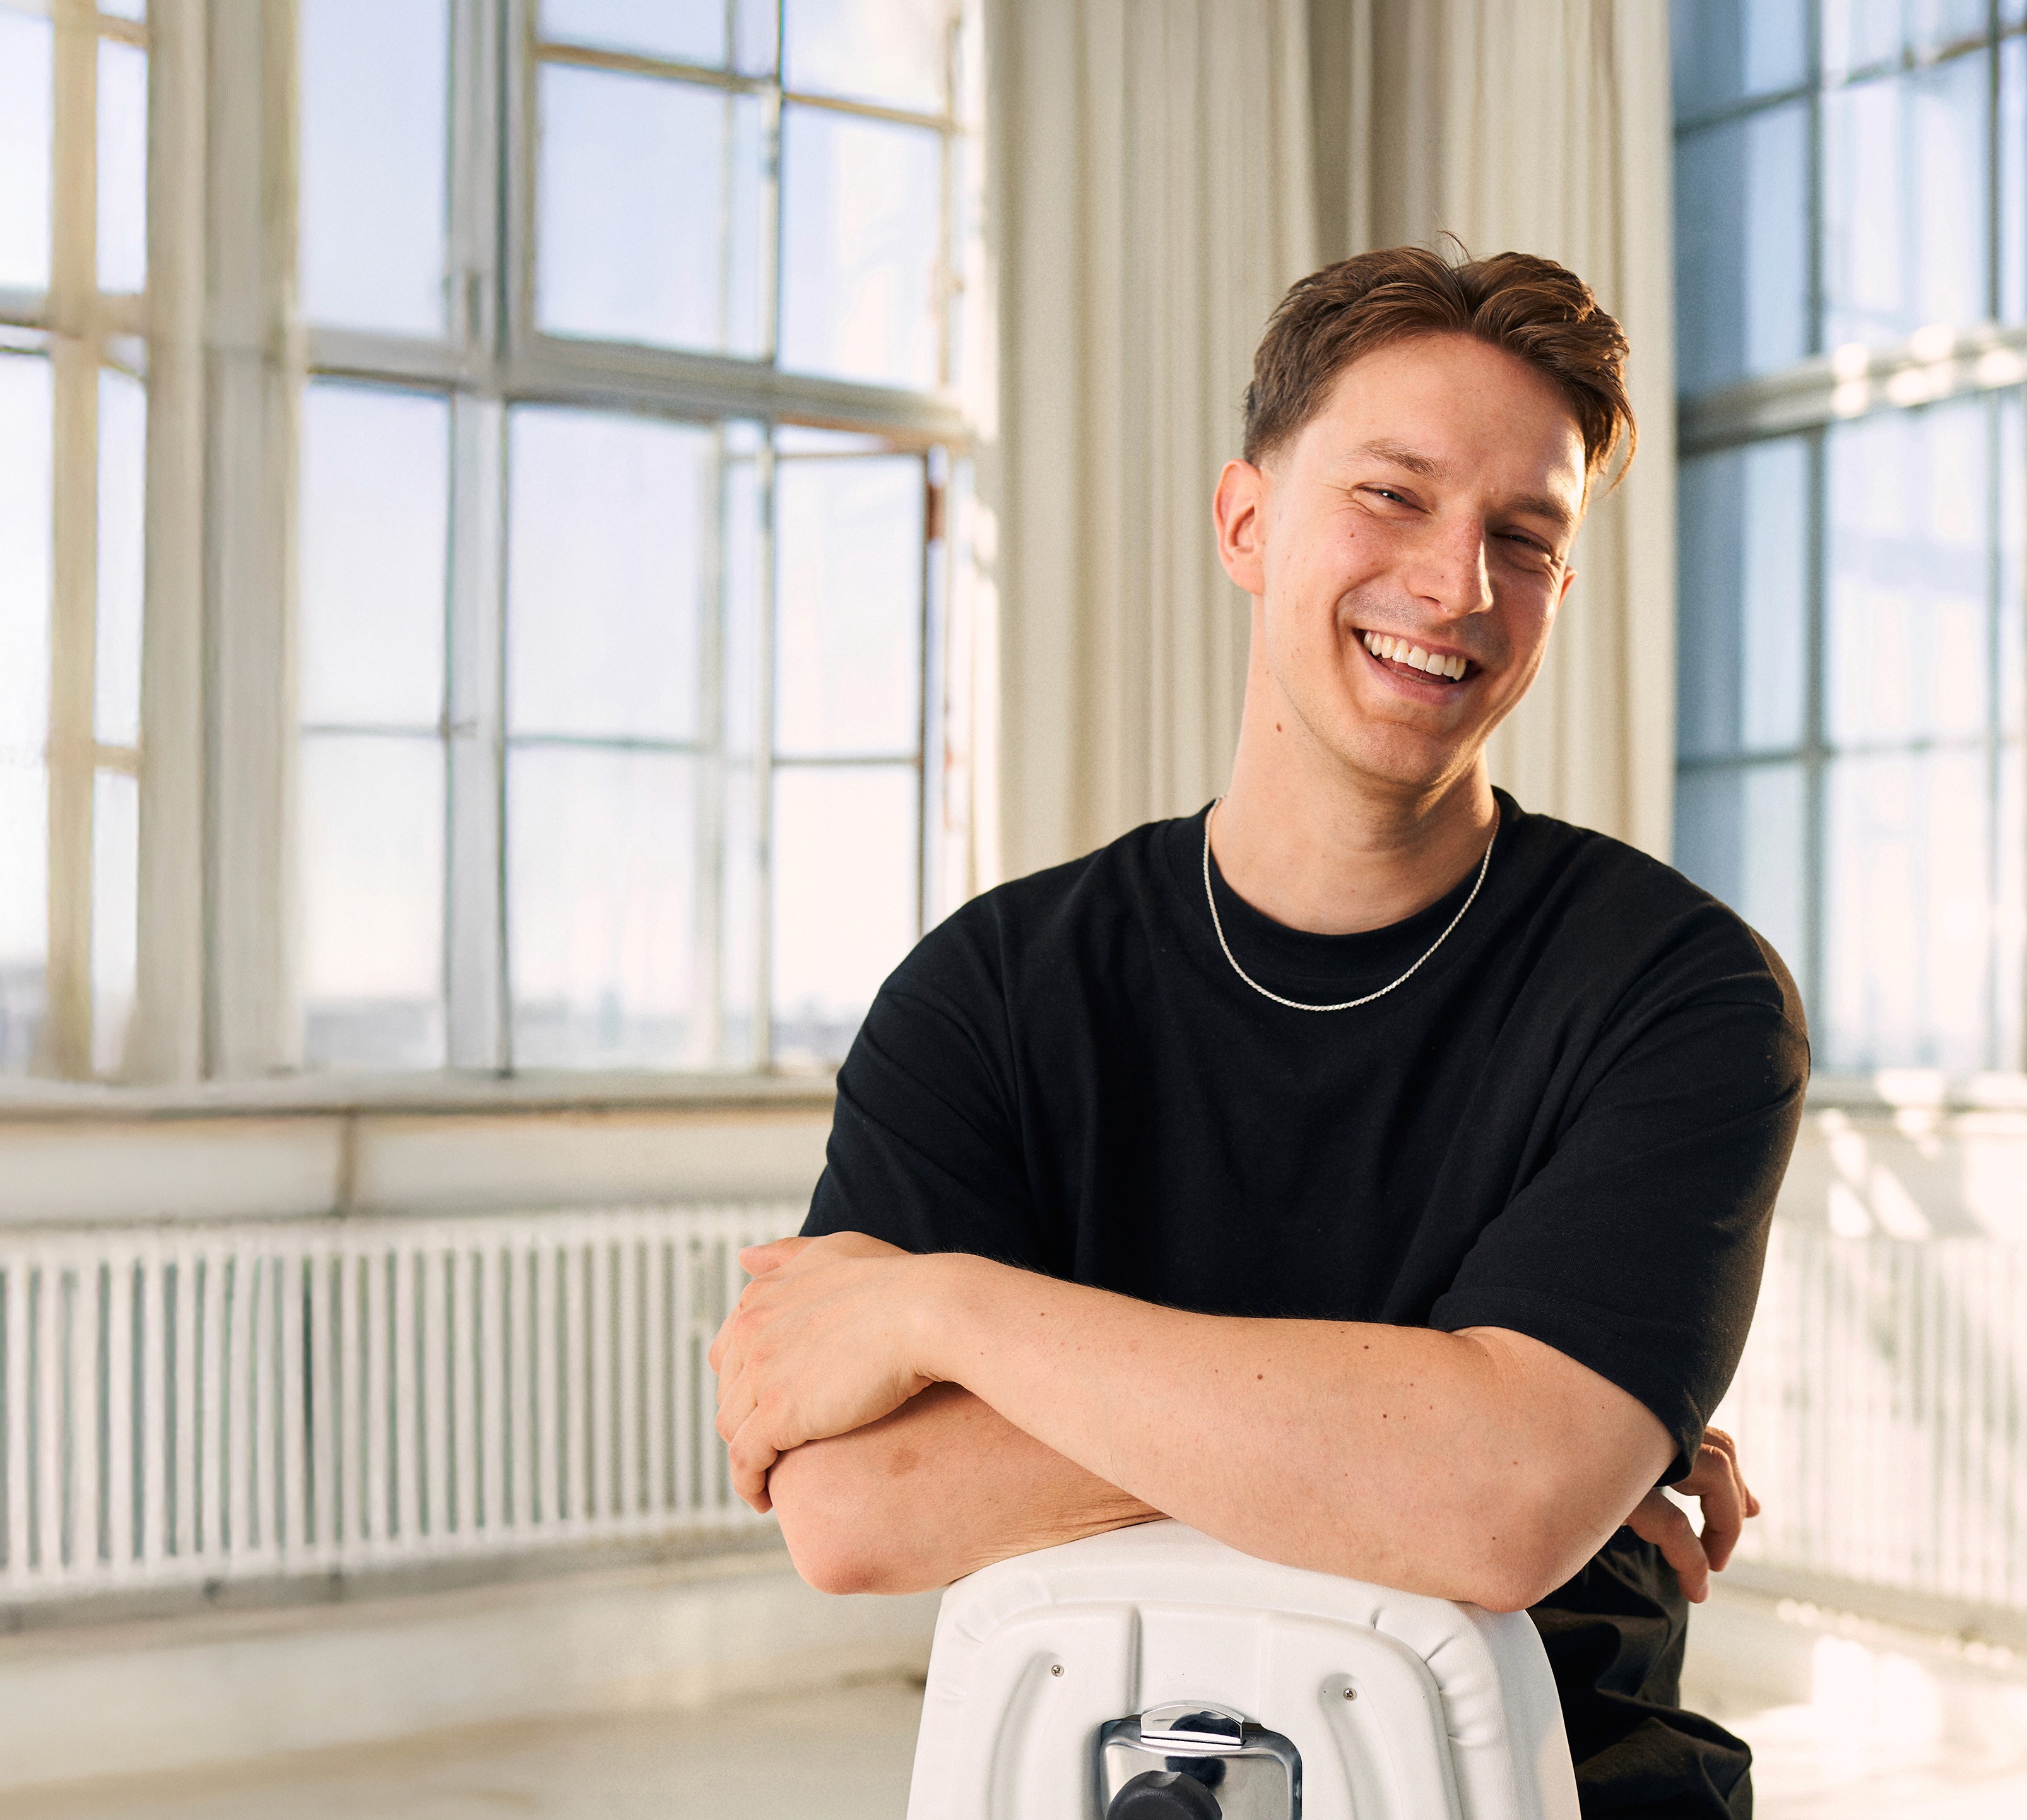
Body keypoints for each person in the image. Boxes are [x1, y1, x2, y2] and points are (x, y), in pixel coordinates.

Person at [708, 244, 1809, 1819]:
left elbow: (1497, 1507)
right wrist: (1458, 1421)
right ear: (1246, 520)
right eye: (1393, 496)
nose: (1454, 584)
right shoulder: (992, 987)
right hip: (1086, 1773)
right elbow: (859, 1511)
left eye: (1524, 537)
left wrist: (942, 1314)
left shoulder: (1680, 991)